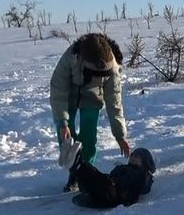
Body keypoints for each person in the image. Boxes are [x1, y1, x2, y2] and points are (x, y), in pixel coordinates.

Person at [49, 33, 131, 192]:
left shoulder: (112, 68)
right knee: (65, 134)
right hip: (68, 96)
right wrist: (63, 122)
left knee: (88, 135)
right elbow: (58, 92)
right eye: (94, 74)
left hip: (92, 97)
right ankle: (73, 170)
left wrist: (120, 135)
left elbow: (114, 103)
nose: (97, 78)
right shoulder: (70, 58)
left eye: (101, 76)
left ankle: (84, 174)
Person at [63, 147, 156, 208]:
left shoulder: (143, 175)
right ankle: (75, 166)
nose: (133, 157)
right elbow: (113, 175)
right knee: (94, 181)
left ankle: (77, 163)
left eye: (137, 156)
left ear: (145, 162)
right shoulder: (122, 167)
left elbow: (141, 188)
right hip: (110, 188)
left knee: (97, 178)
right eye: (132, 155)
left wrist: (129, 199)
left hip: (116, 194)